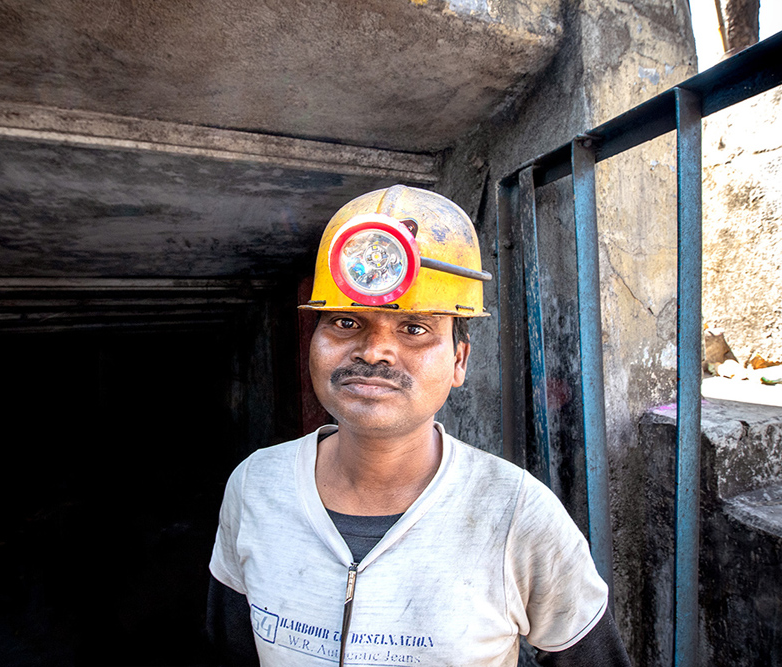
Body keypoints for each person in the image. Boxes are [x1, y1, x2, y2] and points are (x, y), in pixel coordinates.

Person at [207, 185, 630, 666]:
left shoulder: (519, 514)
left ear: (459, 360)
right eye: (345, 323)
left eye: (414, 329)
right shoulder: (255, 485)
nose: (373, 351)